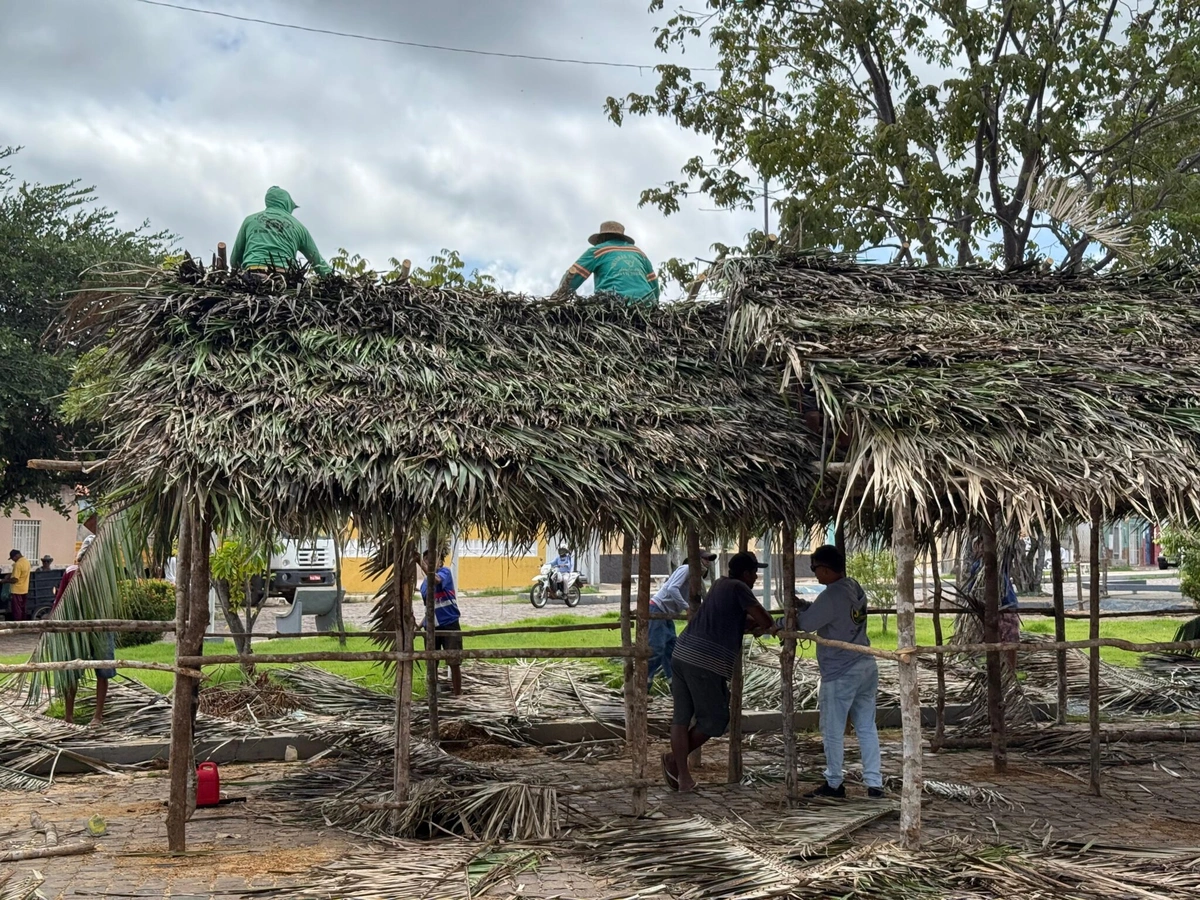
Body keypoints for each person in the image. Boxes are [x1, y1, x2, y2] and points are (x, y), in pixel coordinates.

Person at [662, 551, 773, 793]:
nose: (755, 578)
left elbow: (731, 620)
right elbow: (765, 619)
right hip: (704, 661)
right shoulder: (739, 588)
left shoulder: (721, 584)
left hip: (682, 653)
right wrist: (768, 622)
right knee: (715, 720)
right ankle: (673, 761)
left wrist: (749, 623)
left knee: (681, 717)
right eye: (754, 573)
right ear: (745, 573)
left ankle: (683, 776)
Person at [790, 545, 883, 800]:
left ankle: (834, 783)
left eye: (816, 569)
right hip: (865, 663)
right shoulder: (853, 586)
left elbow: (807, 624)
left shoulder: (831, 595)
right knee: (866, 726)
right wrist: (807, 604)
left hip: (841, 669)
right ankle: (875, 783)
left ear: (827, 569)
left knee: (832, 728)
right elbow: (836, 614)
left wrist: (783, 621)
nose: (815, 574)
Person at [54, 542, 114, 727]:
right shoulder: (71, 572)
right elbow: (60, 600)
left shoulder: (105, 573)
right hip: (76, 628)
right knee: (72, 670)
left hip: (100, 626)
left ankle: (97, 716)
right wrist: (51, 624)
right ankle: (68, 716)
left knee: (103, 670)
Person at [648, 548, 718, 685]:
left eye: (709, 560)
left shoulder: (695, 577)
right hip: (658, 609)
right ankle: (642, 683)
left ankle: (675, 685)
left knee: (671, 650)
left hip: (668, 614)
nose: (708, 562)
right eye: (705, 559)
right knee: (656, 648)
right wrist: (686, 608)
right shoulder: (686, 569)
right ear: (696, 560)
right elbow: (672, 588)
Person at [230, 186, 332, 275]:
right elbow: (317, 261)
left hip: (252, 273)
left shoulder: (250, 220)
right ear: (287, 203)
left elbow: (235, 259)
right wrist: (334, 280)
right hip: (285, 277)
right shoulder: (299, 227)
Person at [558, 221, 660, 307]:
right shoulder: (639, 252)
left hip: (614, 304)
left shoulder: (598, 250)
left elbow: (572, 277)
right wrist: (655, 306)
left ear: (602, 237)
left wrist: (557, 297)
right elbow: (654, 286)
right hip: (647, 305)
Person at [417, 549, 463, 696]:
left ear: (440, 561)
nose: (428, 563)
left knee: (454, 660)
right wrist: (419, 626)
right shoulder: (424, 585)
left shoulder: (445, 573)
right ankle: (433, 692)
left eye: (432, 560)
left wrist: (419, 562)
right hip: (432, 626)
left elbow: (435, 580)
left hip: (449, 622)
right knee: (432, 662)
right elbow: (430, 608)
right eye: (425, 560)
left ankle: (457, 694)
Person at [2, 549, 31, 621]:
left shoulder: (18, 564)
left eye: (12, 558)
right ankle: (23, 624)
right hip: (24, 589)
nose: (13, 560)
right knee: (23, 609)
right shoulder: (26, 562)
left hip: (17, 590)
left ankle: (17, 624)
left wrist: (4, 581)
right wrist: (9, 575)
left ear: (16, 556)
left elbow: (15, 579)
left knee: (16, 610)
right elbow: (20, 574)